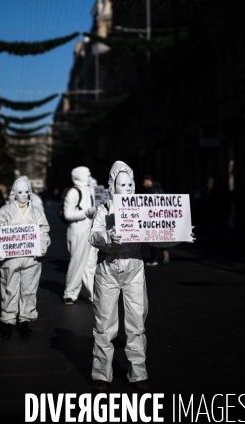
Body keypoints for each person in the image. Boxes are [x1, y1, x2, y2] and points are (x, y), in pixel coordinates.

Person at [89, 160, 180, 393]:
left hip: (134, 267)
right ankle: (101, 374)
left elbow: (157, 233)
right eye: (123, 184)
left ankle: (138, 373)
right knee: (104, 324)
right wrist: (108, 237)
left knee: (136, 323)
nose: (128, 188)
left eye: (131, 184)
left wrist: (179, 235)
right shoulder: (105, 208)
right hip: (108, 268)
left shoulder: (142, 208)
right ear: (114, 186)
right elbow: (93, 235)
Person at [0, 176, 50, 340]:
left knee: (29, 291)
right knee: (10, 290)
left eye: (26, 192)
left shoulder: (36, 212)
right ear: (14, 193)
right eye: (20, 192)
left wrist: (42, 247)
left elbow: (43, 231)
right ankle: (8, 321)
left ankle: (25, 321)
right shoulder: (4, 212)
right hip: (11, 259)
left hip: (31, 259)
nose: (23, 195)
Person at [63, 166, 97, 305]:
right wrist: (86, 212)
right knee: (77, 263)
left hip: (91, 231)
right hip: (78, 231)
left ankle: (94, 294)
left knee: (91, 264)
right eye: (87, 175)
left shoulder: (91, 190)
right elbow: (68, 214)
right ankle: (70, 293)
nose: (89, 177)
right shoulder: (73, 192)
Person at [142, 174, 170, 266]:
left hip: (154, 218)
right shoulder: (158, 189)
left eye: (144, 181)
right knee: (158, 237)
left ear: (149, 180)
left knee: (153, 238)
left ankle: (155, 259)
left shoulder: (154, 190)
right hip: (158, 217)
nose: (143, 184)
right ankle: (163, 253)